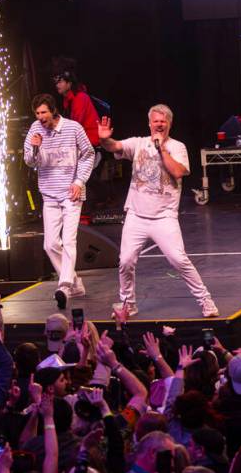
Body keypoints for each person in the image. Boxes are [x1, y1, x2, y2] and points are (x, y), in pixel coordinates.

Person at [97, 106, 219, 318]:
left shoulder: (177, 147)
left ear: (169, 124)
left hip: (164, 217)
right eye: (156, 121)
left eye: (163, 121)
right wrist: (104, 139)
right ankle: (128, 304)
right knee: (125, 261)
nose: (159, 125)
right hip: (136, 215)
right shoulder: (138, 143)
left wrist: (162, 149)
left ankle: (205, 300)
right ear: (149, 124)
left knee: (179, 260)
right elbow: (114, 146)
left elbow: (179, 172)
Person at [24, 93, 96, 309]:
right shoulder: (34, 129)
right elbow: (28, 161)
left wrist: (79, 181)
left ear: (53, 110)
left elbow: (89, 154)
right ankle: (75, 283)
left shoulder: (73, 128)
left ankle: (64, 286)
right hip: (49, 193)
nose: (40, 117)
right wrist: (35, 147)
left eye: (44, 112)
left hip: (71, 193)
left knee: (69, 240)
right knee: (50, 244)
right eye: (37, 113)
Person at [54, 71, 99, 149]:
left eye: (60, 82)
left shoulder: (80, 97)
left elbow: (76, 124)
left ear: (69, 84)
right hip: (81, 139)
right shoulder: (67, 99)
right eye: (56, 83)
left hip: (90, 139)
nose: (57, 85)